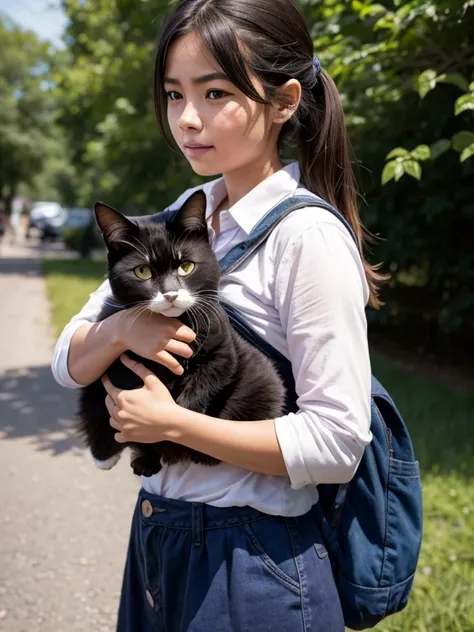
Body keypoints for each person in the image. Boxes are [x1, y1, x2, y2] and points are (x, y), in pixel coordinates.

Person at [51, 0, 388, 629]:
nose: (189, 118)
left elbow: (337, 444)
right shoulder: (190, 210)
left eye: (215, 92)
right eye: (175, 95)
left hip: (254, 560)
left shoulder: (306, 237)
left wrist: (171, 424)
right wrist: (123, 328)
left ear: (285, 101)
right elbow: (67, 359)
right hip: (159, 536)